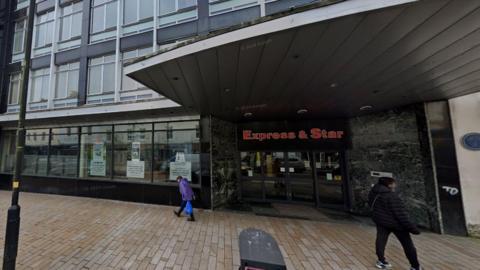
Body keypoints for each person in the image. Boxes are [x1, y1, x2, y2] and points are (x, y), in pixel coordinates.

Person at [368, 177, 422, 270]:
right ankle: (415, 266)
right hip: (397, 225)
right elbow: (401, 214)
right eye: (393, 183)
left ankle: (381, 261)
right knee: (408, 245)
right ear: (389, 184)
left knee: (381, 240)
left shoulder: (374, 193)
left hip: (382, 222)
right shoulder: (392, 196)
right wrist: (413, 228)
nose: (395, 185)